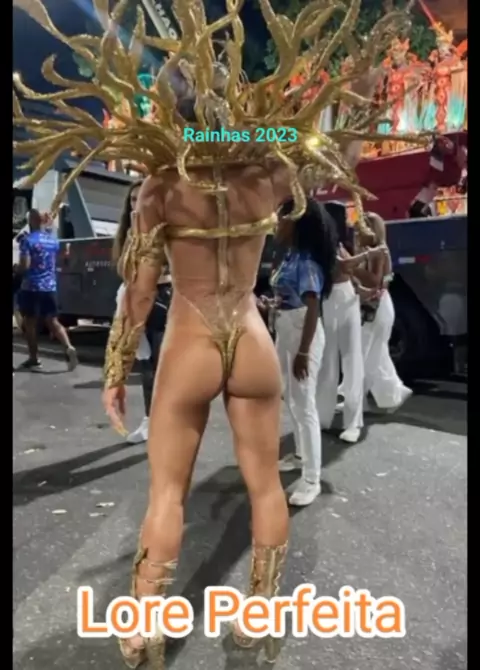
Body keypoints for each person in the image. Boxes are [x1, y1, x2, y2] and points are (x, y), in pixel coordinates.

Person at [13, 2, 416, 665]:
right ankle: (258, 618)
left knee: (167, 493)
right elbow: (335, 154)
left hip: (190, 343)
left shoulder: (160, 188)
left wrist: (116, 370)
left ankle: (145, 627)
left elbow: (140, 294)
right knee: (266, 486)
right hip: (251, 338)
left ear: (174, 116)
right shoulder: (268, 175)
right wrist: (361, 85)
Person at [271, 198, 336, 506]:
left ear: (296, 222)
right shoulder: (291, 256)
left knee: (304, 403)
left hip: (302, 334)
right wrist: (272, 305)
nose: (275, 223)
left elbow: (312, 308)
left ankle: (312, 479)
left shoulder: (307, 262)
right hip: (286, 329)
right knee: (291, 397)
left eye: (281, 218)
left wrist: (303, 352)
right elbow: (290, 297)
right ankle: (299, 455)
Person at [316, 203, 385, 443]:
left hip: (345, 297)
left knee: (350, 359)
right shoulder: (324, 243)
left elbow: (348, 271)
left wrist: (358, 287)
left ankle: (353, 422)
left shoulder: (339, 243)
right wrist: (369, 255)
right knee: (328, 361)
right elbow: (344, 266)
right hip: (330, 298)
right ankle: (323, 416)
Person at [348, 212, 412, 410]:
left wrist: (349, 266)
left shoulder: (379, 252)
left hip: (375, 309)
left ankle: (358, 402)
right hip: (376, 307)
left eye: (360, 230)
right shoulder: (372, 251)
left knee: (363, 355)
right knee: (377, 355)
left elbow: (374, 280)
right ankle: (394, 393)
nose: (356, 234)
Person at [16, 210, 77, 371]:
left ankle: (34, 359)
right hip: (50, 287)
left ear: (31, 221)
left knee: (29, 324)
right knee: (53, 321)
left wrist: (16, 269)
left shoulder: (28, 241)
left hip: (32, 287)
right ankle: (68, 347)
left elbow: (25, 266)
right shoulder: (52, 241)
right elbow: (62, 259)